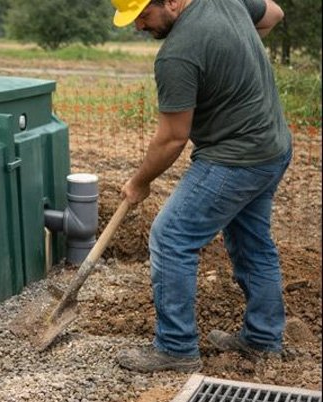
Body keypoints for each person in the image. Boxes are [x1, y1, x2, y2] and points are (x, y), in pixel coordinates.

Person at [110, 0, 292, 372]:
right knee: (252, 242)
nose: (140, 27)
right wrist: (231, 49)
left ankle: (175, 348)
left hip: (236, 159)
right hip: (273, 147)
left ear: (172, 2)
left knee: (171, 236)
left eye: (144, 16)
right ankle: (262, 338)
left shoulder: (175, 55)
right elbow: (274, 14)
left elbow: (172, 138)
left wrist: (139, 182)